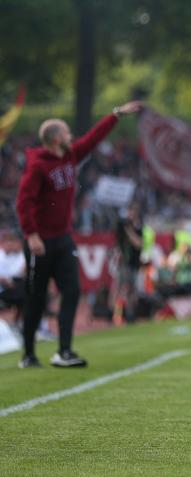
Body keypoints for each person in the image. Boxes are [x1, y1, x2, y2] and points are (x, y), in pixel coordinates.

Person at [15, 100, 143, 368]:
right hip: (40, 241)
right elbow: (23, 202)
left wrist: (116, 115)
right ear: (54, 139)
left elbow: (93, 139)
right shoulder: (38, 166)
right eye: (65, 132)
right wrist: (31, 234)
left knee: (72, 291)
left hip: (63, 238)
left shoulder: (70, 156)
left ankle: (64, 351)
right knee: (37, 298)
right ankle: (28, 353)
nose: (71, 136)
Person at [114, 204, 144, 323]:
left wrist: (129, 230)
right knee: (122, 288)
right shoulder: (122, 227)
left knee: (133, 289)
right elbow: (117, 240)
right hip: (124, 263)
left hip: (135, 263)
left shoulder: (137, 228)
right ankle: (118, 314)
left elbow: (138, 243)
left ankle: (131, 314)